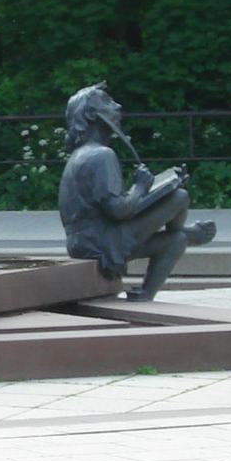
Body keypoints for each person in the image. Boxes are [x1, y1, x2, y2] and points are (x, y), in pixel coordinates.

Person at [57, 82, 216, 301]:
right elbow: (118, 210)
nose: (118, 106)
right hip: (102, 244)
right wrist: (141, 187)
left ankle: (145, 294)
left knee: (176, 240)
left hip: (85, 243)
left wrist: (147, 190)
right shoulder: (101, 155)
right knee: (179, 197)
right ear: (93, 114)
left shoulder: (81, 156)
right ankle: (189, 233)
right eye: (108, 102)